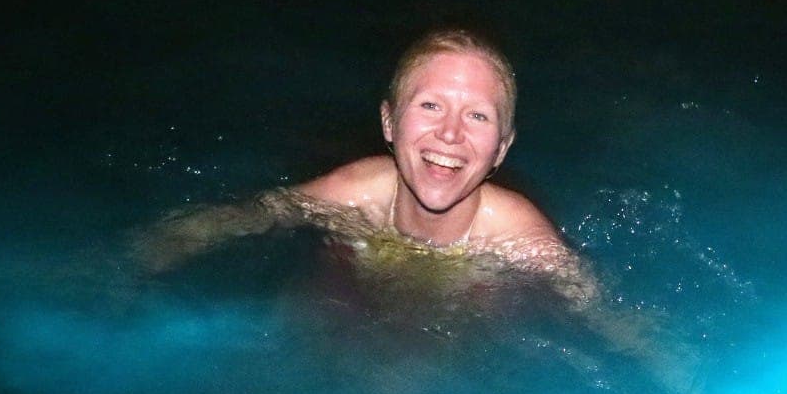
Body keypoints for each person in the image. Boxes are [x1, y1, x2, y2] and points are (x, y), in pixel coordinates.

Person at [130, 28, 592, 298]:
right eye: (430, 105)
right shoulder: (354, 193)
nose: (451, 133)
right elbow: (238, 218)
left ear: (502, 149)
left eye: (477, 115)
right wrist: (124, 266)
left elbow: (611, 320)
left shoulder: (518, 238)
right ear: (389, 123)